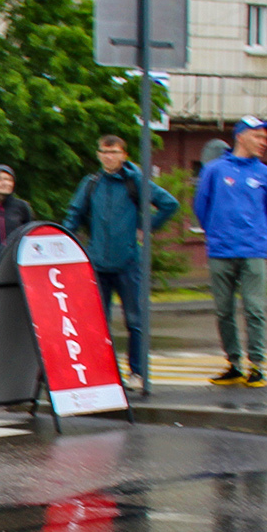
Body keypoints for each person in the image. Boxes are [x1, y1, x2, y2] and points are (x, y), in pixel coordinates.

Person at [61, 135, 179, 384]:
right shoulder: (92, 183)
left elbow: (169, 204)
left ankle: (136, 372)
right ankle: (103, 371)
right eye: (104, 152)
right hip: (98, 264)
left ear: (124, 155)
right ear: (98, 154)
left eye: (113, 152)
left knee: (134, 321)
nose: (108, 156)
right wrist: (63, 241)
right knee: (97, 323)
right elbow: (74, 213)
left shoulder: (134, 181)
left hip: (128, 263)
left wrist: (146, 228)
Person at [195, 117, 267, 388]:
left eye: (265, 138)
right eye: (258, 136)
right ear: (241, 136)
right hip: (221, 251)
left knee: (255, 309)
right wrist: (217, 233)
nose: (263, 142)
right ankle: (233, 364)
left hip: (253, 252)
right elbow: (202, 207)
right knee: (224, 311)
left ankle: (257, 365)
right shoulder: (214, 170)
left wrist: (257, 237)